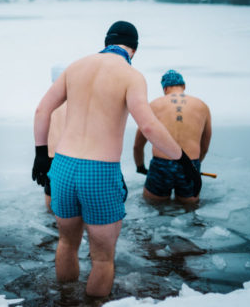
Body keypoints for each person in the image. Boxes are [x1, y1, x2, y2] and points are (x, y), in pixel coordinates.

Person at [32, 21, 201, 297]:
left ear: (106, 40)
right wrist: (183, 161)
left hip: (62, 166)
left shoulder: (76, 66)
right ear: (133, 49)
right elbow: (148, 127)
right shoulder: (130, 76)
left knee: (66, 243)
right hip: (99, 171)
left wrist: (41, 155)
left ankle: (65, 301)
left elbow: (42, 110)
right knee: (101, 258)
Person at [134, 69, 211, 205]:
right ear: (184, 86)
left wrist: (140, 166)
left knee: (153, 206)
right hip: (191, 163)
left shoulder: (154, 105)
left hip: (161, 164)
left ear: (165, 88)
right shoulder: (202, 106)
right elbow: (205, 145)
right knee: (190, 207)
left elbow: (138, 145)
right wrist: (194, 166)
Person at [37, 65, 67, 212]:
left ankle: (52, 224)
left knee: (51, 194)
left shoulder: (47, 102)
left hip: (51, 157)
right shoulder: (78, 101)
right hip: (74, 155)